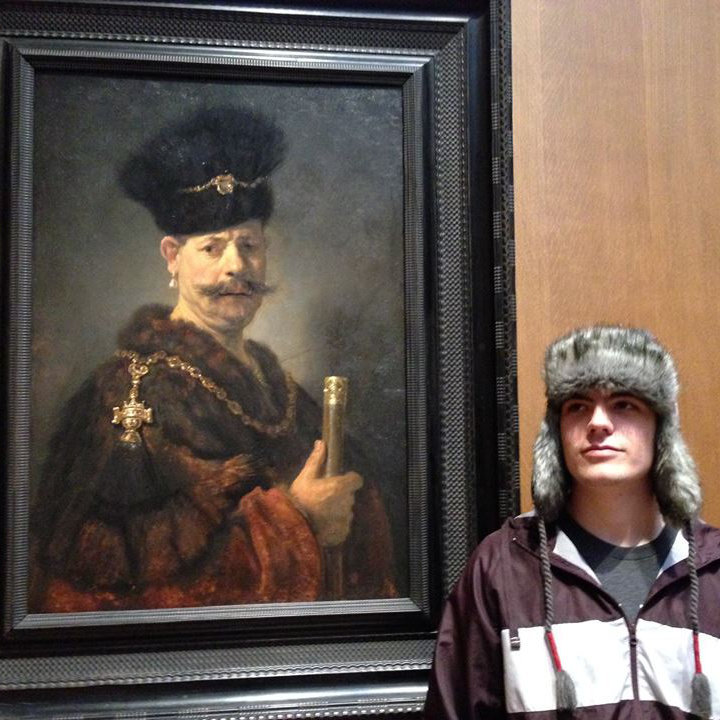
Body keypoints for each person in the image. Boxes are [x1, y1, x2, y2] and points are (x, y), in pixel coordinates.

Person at [29, 106, 396, 612]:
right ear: (172, 256)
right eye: (212, 248)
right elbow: (107, 595)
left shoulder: (286, 394)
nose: (236, 266)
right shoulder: (127, 395)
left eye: (248, 244)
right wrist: (297, 520)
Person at [424, 326, 719, 719]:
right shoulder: (503, 568)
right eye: (578, 406)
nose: (598, 422)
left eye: (624, 404)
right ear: (557, 432)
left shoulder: (713, 569)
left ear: (660, 428)